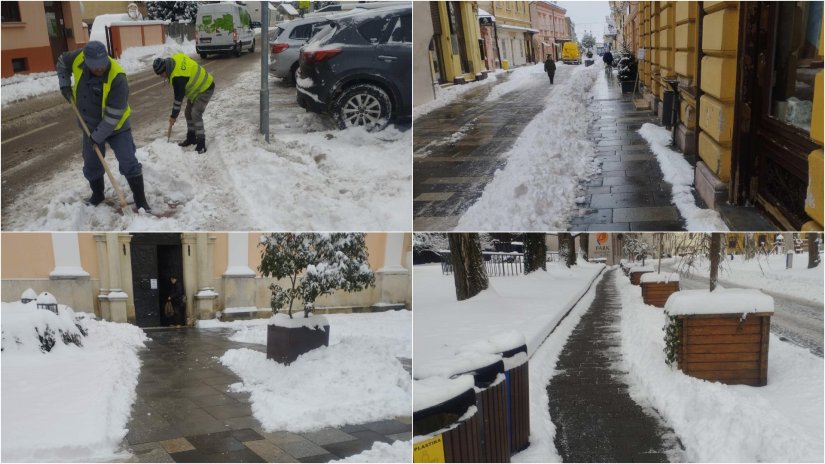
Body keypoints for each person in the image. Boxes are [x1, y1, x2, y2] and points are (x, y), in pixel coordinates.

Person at [56, 41, 151, 211]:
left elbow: (113, 116)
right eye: (95, 67)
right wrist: (64, 84)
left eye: (102, 65)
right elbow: (62, 61)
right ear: (86, 61)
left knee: (128, 161)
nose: (100, 69)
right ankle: (97, 194)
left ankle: (141, 200)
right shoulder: (77, 58)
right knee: (91, 163)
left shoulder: (118, 78)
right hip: (89, 125)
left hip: (117, 127)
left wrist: (96, 137)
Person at [153, 54, 215, 154]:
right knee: (188, 112)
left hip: (205, 87)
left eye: (161, 74)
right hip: (195, 90)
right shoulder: (175, 57)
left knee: (195, 113)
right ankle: (191, 138)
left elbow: (178, 99)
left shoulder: (177, 78)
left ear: (165, 69)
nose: (161, 76)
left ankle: (201, 144)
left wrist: (173, 116)